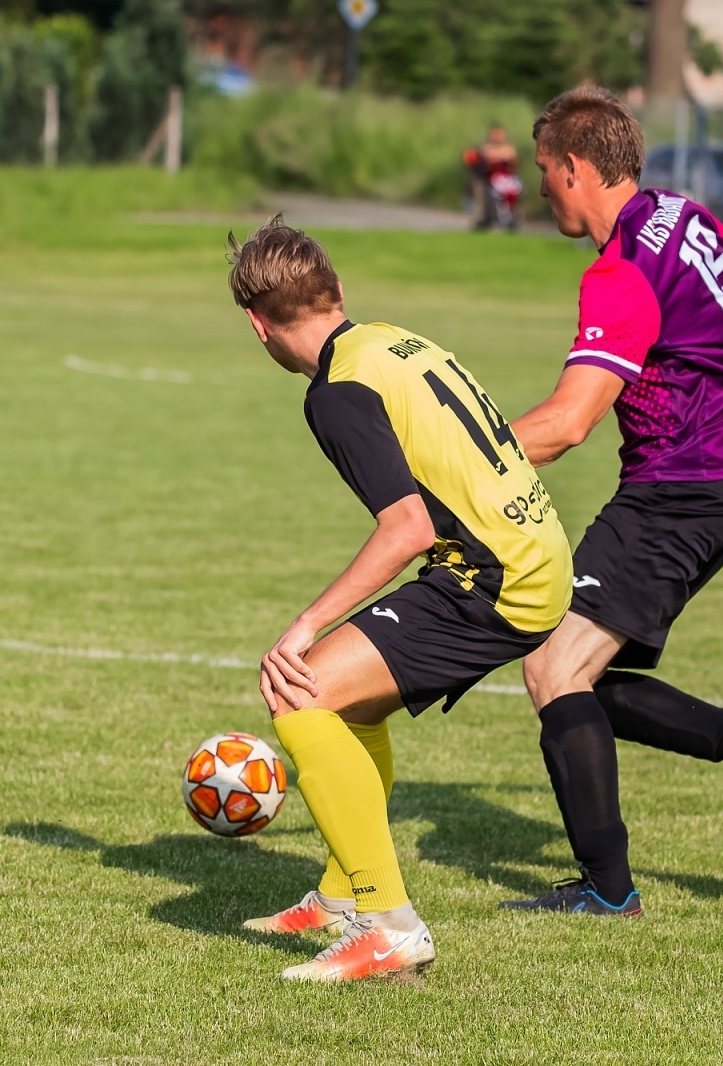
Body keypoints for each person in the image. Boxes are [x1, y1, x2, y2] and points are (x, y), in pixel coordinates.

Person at [227, 217, 571, 980]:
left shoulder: (337, 392)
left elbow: (406, 526)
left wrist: (303, 625)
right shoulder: (386, 340)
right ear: (337, 292)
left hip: (493, 579)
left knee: (300, 693)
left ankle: (389, 926)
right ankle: (341, 895)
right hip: (532, 556)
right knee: (350, 704)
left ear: (258, 325)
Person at [500, 86, 723, 918]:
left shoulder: (620, 272)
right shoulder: (684, 214)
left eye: (544, 172)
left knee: (550, 666)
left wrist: (463, 455)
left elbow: (567, 423)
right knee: (579, 680)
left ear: (575, 168)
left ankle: (609, 891)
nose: (539, 190)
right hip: (716, 488)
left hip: (674, 495)